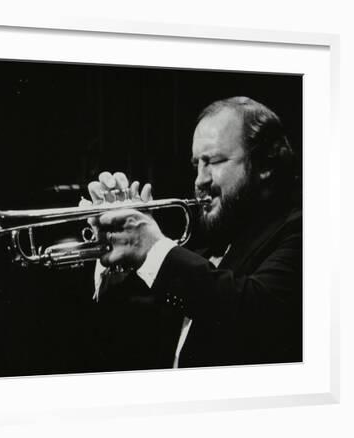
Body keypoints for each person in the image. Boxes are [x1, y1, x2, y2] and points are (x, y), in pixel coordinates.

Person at [84, 96, 302, 369]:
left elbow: (256, 311)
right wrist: (122, 250)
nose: (200, 179)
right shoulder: (209, 249)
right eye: (196, 164)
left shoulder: (302, 231)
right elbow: (130, 338)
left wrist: (153, 248)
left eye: (213, 161)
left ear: (265, 165)